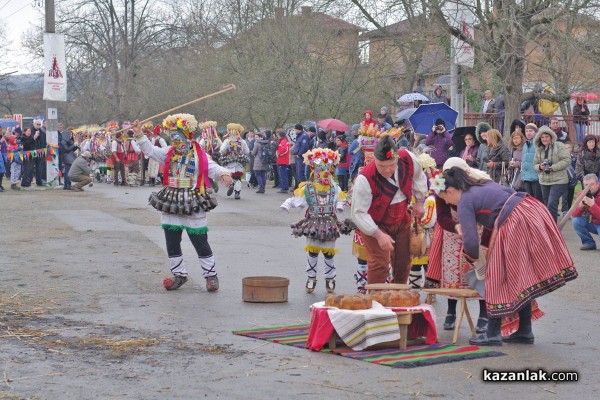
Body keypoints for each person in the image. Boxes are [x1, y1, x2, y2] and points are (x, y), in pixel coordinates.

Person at [434, 159, 577, 346]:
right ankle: (525, 330)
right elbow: (504, 199)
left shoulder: (464, 202)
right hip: (530, 210)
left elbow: (470, 241)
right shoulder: (481, 184)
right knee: (519, 274)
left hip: (515, 220)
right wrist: (485, 248)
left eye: (446, 198)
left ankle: (493, 333)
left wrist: (473, 261)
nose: (447, 202)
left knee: (497, 276)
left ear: (450, 191)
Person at [132, 115, 233, 291]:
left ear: (187, 136)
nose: (175, 141)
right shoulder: (169, 152)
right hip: (171, 200)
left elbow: (213, 167)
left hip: (192, 201)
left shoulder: (199, 154)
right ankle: (179, 274)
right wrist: (139, 134)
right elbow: (150, 151)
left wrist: (224, 173)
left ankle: (211, 276)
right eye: (173, 137)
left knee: (199, 241)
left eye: (178, 137)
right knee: (172, 241)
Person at [350, 135, 427, 285]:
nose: (387, 170)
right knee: (379, 264)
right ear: (375, 160)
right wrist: (378, 235)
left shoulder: (407, 158)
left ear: (397, 158)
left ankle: (398, 298)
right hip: (375, 223)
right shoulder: (364, 178)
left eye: (391, 165)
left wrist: (419, 202)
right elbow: (358, 213)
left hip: (401, 219)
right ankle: (375, 303)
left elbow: (419, 177)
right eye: (382, 166)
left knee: (403, 262)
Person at [425, 158, 490, 334]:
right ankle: (451, 311)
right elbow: (441, 215)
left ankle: (484, 314)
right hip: (452, 231)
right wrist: (455, 226)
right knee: (452, 272)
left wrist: (482, 240)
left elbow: (488, 213)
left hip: (477, 229)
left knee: (479, 270)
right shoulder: (440, 186)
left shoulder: (479, 184)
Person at [281, 148, 348, 293]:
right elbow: (297, 200)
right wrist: (287, 204)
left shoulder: (334, 188)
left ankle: (330, 279)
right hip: (313, 222)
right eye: (320, 170)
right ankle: (311, 277)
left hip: (330, 222)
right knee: (313, 252)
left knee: (329, 252)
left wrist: (340, 206)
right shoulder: (308, 188)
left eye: (326, 170)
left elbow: (341, 200)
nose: (324, 174)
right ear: (314, 172)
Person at [533, 125, 571, 221]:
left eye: (547, 136)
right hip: (544, 181)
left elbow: (567, 160)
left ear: (551, 137)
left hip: (559, 180)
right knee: (547, 205)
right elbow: (534, 165)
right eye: (542, 137)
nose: (544, 139)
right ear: (539, 138)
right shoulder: (539, 149)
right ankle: (551, 226)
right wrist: (539, 167)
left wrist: (552, 167)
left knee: (551, 203)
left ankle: (553, 228)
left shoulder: (559, 146)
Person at [220, 123, 250, 200]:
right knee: (238, 177)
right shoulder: (242, 141)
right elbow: (247, 151)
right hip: (239, 162)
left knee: (230, 175)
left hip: (229, 161)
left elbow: (222, 150)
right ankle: (237, 192)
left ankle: (231, 185)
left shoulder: (227, 140)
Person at [572, 174, 600, 250]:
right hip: (592, 222)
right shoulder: (581, 194)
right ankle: (589, 243)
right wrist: (580, 206)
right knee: (576, 221)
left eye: (591, 184)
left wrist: (592, 205)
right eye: (586, 185)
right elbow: (574, 214)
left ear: (597, 184)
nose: (588, 187)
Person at [521, 123, 544, 201]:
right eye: (526, 131)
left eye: (530, 131)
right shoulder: (524, 145)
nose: (528, 133)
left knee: (538, 200)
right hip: (526, 177)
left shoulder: (539, 144)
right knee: (530, 201)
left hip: (536, 177)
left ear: (535, 132)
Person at [32, 118, 47, 186]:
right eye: (37, 124)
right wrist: (35, 136)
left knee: (39, 167)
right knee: (31, 167)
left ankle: (39, 181)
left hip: (41, 151)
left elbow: (44, 141)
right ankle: (29, 181)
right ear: (34, 124)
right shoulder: (31, 130)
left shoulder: (42, 131)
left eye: (39, 124)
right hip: (33, 151)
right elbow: (30, 140)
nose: (38, 125)